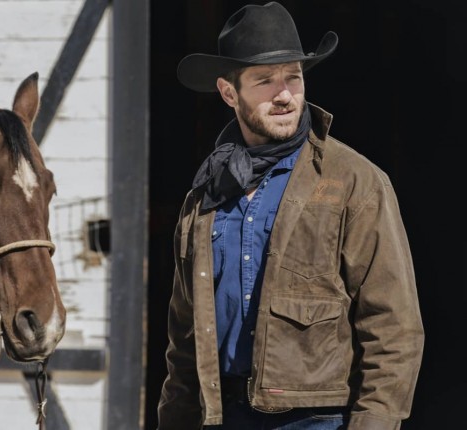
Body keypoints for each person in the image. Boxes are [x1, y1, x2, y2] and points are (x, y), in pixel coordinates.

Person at [156, 2, 424, 429]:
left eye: (293, 77)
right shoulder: (204, 196)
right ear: (229, 93)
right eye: (265, 80)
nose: (284, 95)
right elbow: (184, 340)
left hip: (317, 418)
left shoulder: (354, 181)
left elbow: (393, 327)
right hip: (221, 415)